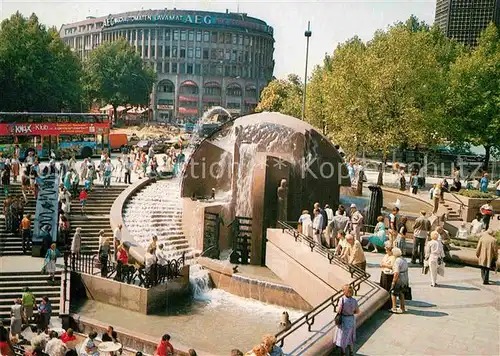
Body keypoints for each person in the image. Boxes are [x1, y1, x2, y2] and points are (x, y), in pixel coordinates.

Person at [334, 284, 360, 355]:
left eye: (343, 290)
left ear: (345, 291)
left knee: (343, 336)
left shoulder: (342, 299)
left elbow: (339, 310)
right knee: (351, 336)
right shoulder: (354, 300)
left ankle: (344, 352)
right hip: (351, 319)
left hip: (344, 319)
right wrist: (351, 312)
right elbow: (357, 311)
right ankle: (351, 352)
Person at [390, 247, 409, 313]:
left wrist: (393, 281)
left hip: (399, 279)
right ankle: (402, 307)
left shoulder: (397, 261)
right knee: (402, 293)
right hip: (405, 278)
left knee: (393, 293)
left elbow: (396, 273)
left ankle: (394, 307)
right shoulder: (404, 259)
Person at [379, 241, 395, 309]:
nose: (386, 251)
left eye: (386, 249)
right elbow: (382, 262)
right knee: (383, 287)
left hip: (389, 274)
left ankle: (388, 304)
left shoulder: (393, 257)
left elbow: (392, 266)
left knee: (387, 288)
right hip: (384, 272)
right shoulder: (386, 255)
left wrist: (384, 265)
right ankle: (383, 303)